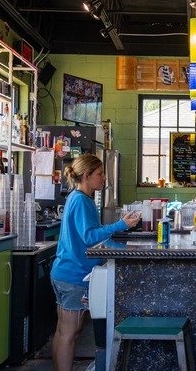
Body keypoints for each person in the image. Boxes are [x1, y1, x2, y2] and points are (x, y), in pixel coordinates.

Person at [50, 154, 141, 371]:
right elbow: (90, 237)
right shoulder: (82, 200)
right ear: (86, 176)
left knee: (63, 331)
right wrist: (120, 225)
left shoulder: (76, 197)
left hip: (63, 272)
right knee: (70, 333)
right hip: (74, 275)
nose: (104, 178)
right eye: (100, 174)